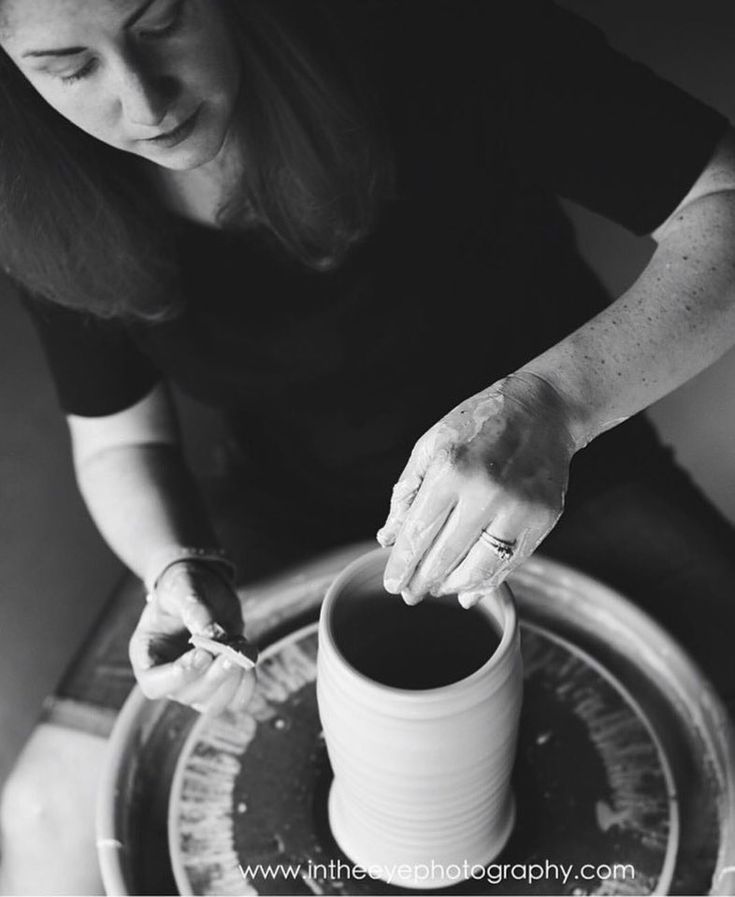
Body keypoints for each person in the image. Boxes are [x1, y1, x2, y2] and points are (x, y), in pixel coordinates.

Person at [1, 0, 735, 891]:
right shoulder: (44, 187)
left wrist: (550, 404)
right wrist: (172, 565)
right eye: (69, 66)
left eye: (159, 22)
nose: (144, 102)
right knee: (46, 829)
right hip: (282, 504)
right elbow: (119, 441)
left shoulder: (429, 31)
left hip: (565, 463)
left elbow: (723, 201)